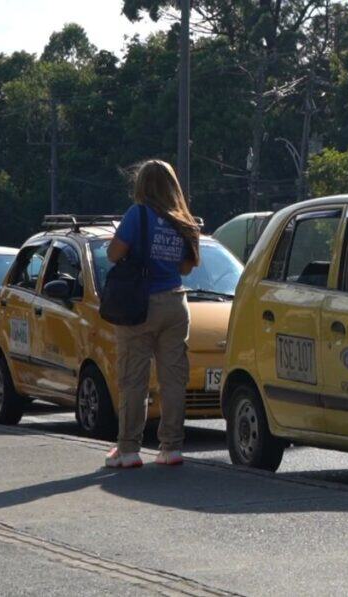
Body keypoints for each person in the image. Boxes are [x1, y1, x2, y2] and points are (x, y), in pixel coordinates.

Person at [104, 160, 201, 468]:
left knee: (134, 378)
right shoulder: (182, 220)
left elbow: (113, 253)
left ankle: (129, 449)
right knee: (173, 379)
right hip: (176, 303)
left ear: (142, 185)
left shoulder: (138, 214)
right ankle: (171, 447)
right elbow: (186, 267)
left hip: (141, 304)